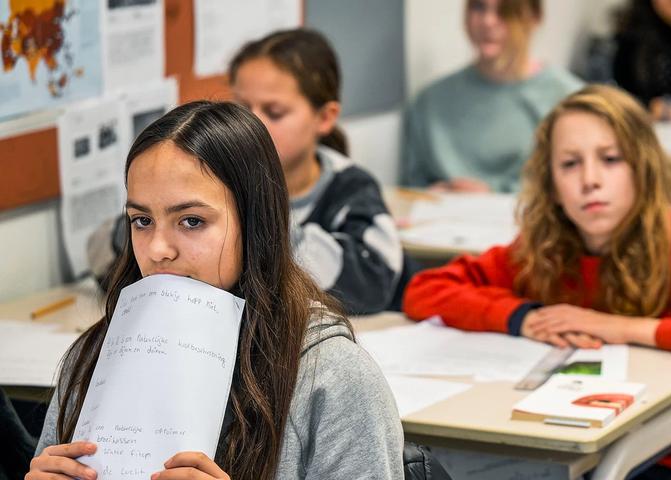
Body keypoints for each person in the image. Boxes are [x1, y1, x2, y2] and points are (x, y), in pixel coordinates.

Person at [403, 85, 671, 480]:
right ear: (550, 185)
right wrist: (521, 316)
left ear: (642, 167)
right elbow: (425, 290)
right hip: (573, 441)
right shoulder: (545, 247)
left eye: (610, 159)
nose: (590, 180)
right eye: (570, 164)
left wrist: (619, 328)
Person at [28, 101, 404, 480]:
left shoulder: (333, 379)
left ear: (255, 223)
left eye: (192, 221)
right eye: (141, 221)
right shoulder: (94, 359)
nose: (158, 249)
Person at [88, 29, 406, 315]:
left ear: (325, 117)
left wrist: (264, 224)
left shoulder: (349, 187)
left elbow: (376, 283)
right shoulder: (203, 184)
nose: (254, 123)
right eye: (242, 107)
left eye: (275, 112)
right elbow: (104, 256)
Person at [401, 0, 584, 193]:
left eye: (505, 10)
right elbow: (409, 190)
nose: (488, 21)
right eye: (479, 7)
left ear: (535, 17)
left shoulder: (571, 101)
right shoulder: (429, 103)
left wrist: (492, 194)